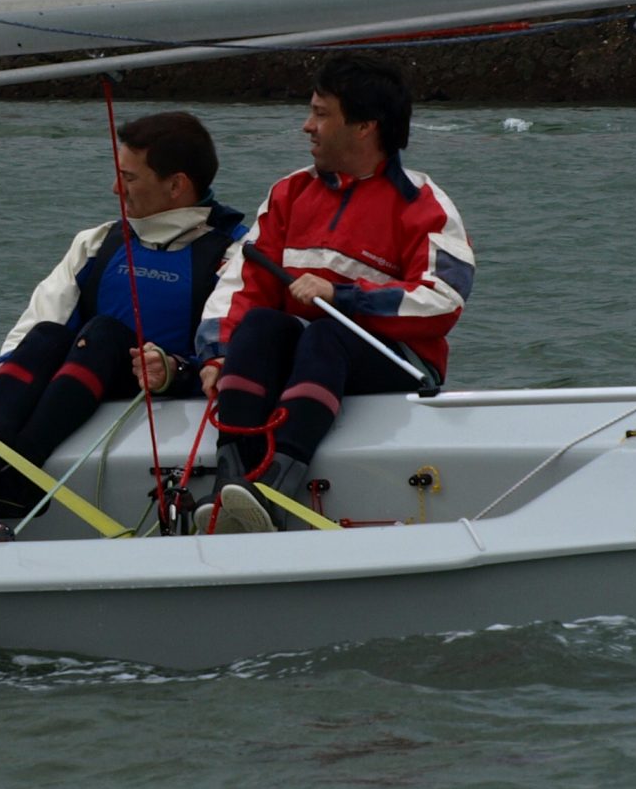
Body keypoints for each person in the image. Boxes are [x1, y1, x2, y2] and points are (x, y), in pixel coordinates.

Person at [0, 111, 243, 515]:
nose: (115, 188)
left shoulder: (233, 252)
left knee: (102, 332)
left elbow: (230, 339)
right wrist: (6, 365)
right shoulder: (98, 241)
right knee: (47, 336)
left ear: (176, 185)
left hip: (171, 382)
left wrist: (175, 368)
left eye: (129, 177)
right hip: (90, 376)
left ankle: (20, 477)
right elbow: (45, 313)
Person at [193, 54, 472, 532]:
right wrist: (217, 354)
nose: (307, 126)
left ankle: (275, 492)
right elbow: (242, 285)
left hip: (400, 363)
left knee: (326, 335)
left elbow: (443, 300)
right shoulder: (288, 193)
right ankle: (232, 485)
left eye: (321, 114)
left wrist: (343, 297)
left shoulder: (425, 205)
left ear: (365, 126)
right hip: (310, 357)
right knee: (259, 326)